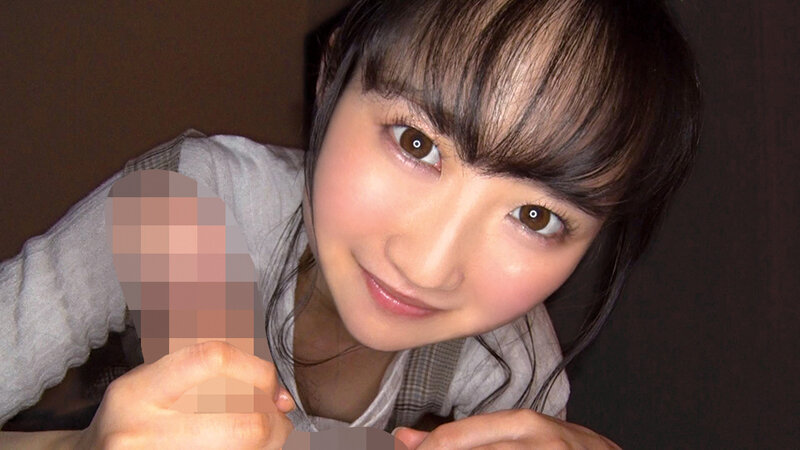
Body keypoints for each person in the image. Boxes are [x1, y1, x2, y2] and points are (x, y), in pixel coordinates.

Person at [0, 0, 700, 448]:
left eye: (534, 216)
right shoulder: (186, 210)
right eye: (417, 143)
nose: (427, 266)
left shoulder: (507, 368)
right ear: (332, 73)